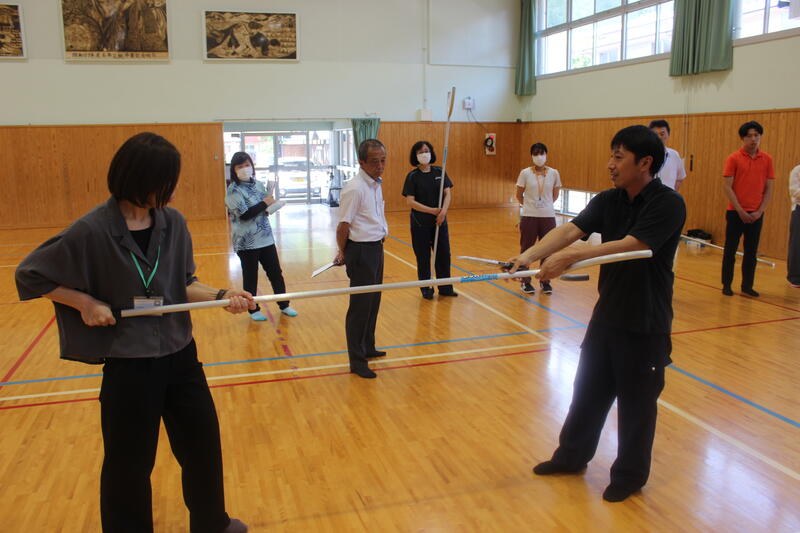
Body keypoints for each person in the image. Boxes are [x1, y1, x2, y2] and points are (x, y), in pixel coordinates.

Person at [15, 132, 250, 533]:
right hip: (129, 363)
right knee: (128, 464)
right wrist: (84, 302)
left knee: (202, 447)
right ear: (140, 179)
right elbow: (30, 274)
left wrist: (222, 296)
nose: (172, 190)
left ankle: (212, 523)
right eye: (165, 181)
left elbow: (183, 283)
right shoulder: (91, 230)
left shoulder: (173, 223)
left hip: (180, 354)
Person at [509, 125, 686, 503]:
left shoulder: (668, 203)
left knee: (637, 406)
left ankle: (630, 476)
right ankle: (571, 456)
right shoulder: (610, 199)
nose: (610, 164)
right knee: (587, 392)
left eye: (618, 157)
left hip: (646, 323)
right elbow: (571, 230)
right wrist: (527, 256)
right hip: (607, 316)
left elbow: (634, 245)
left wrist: (573, 256)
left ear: (645, 163)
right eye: (611, 156)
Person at [333, 139, 389, 379]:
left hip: (376, 248)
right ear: (362, 162)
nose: (380, 166)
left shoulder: (376, 184)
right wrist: (343, 251)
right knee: (360, 307)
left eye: (383, 160)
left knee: (373, 302)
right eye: (375, 162)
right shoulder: (355, 188)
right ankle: (357, 361)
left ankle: (368, 346)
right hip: (361, 251)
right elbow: (343, 226)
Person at [225, 152, 297, 320]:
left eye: (247, 165)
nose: (245, 169)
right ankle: (253, 309)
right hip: (246, 242)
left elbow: (264, 208)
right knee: (251, 276)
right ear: (234, 170)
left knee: (275, 273)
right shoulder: (233, 190)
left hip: (265, 238)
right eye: (240, 166)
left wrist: (272, 205)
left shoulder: (258, 184)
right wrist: (265, 203)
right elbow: (245, 214)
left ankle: (284, 304)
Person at [721, 121, 774, 297]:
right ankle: (726, 284)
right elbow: (727, 186)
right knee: (730, 250)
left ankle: (747, 286)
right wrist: (740, 210)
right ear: (743, 138)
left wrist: (759, 211)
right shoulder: (733, 158)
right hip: (735, 212)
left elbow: (769, 188)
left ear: (760, 137)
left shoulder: (767, 159)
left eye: (756, 135)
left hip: (756, 213)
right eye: (749, 136)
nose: (753, 139)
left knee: (751, 252)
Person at [402, 140, 458, 299]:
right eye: (420, 152)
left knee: (443, 255)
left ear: (431, 153)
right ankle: (426, 289)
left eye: (426, 151)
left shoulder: (440, 171)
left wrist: (443, 212)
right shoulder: (412, 176)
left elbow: (448, 193)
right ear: (415, 156)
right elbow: (410, 201)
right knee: (423, 257)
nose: (424, 154)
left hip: (440, 222)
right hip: (420, 223)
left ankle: (445, 288)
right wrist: (432, 211)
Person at [515, 142, 562, 294]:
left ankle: (545, 280)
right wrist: (530, 207)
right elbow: (519, 195)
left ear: (546, 155)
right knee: (527, 248)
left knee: (548, 249)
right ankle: (525, 281)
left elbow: (555, 195)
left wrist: (545, 206)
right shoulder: (525, 173)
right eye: (535, 153)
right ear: (531, 156)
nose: (539, 156)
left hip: (548, 216)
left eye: (541, 153)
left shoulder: (554, 173)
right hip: (529, 216)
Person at [649, 119, 687, 192]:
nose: (659, 137)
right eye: (655, 134)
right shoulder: (644, 155)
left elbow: (680, 178)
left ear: (668, 135)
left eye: (662, 134)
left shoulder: (674, 154)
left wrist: (672, 194)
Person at [789, 163, 800, 288]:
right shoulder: (797, 170)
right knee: (797, 244)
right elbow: (794, 191)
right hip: (799, 209)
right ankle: (795, 277)